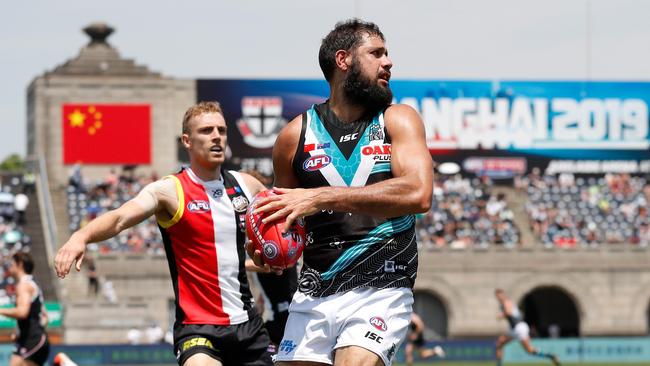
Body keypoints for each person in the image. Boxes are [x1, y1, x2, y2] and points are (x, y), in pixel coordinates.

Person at [251, 19, 434, 366]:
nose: (388, 62)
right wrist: (268, 245)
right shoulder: (293, 136)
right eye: (376, 53)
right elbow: (284, 219)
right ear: (343, 59)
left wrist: (321, 197)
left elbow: (418, 192)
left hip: (382, 286)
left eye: (387, 53)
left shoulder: (398, 119)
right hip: (313, 293)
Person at [55, 101, 274, 366]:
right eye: (206, 131)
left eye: (221, 130)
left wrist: (275, 256)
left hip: (248, 326)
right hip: (198, 329)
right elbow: (120, 217)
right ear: (187, 141)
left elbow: (283, 227)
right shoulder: (170, 190)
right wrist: (81, 237)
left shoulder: (247, 185)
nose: (216, 136)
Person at [0, 252, 49, 366]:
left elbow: (22, 312)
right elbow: (45, 317)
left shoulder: (24, 285)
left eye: (11, 264)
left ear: (20, 264)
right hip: (33, 339)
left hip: (32, 340)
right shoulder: (32, 283)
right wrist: (20, 331)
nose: (9, 267)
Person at [495, 289, 560, 366]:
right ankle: (499, 364)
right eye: (497, 296)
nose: (499, 297)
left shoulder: (506, 302)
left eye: (500, 295)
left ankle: (550, 356)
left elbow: (508, 312)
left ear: (503, 295)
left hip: (519, 327)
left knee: (530, 350)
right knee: (499, 343)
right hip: (514, 329)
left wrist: (501, 316)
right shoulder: (504, 303)